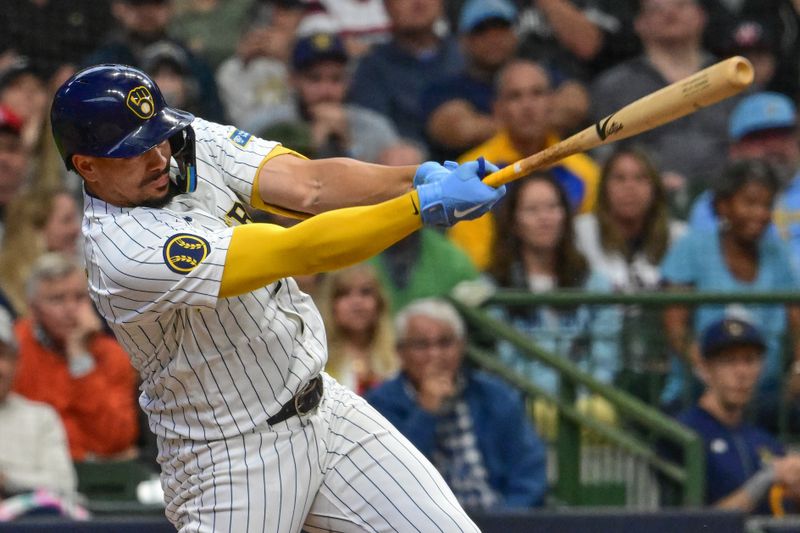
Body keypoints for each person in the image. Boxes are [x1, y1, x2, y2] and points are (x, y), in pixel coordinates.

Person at [49, 63, 505, 531]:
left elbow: (309, 185)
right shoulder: (123, 252)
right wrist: (417, 208)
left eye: (158, 138)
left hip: (324, 410)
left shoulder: (184, 140)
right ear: (86, 165)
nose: (160, 158)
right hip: (231, 455)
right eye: (136, 152)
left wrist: (415, 177)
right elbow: (299, 250)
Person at [366, 298, 547, 510]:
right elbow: (389, 479)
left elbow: (529, 473)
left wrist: (508, 521)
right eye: (421, 345)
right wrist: (426, 412)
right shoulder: (379, 404)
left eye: (445, 343)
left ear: (462, 346)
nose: (435, 355)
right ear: (400, 352)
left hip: (496, 520)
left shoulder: (495, 395)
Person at [660, 159, 800, 430]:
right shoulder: (692, 247)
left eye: (766, 205)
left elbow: (798, 320)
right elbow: (675, 328)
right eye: (750, 203)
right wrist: (717, 379)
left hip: (765, 397)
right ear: (723, 205)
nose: (760, 214)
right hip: (698, 394)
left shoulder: (777, 254)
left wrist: (798, 369)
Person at [485, 172, 620, 437]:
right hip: (521, 405)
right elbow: (505, 361)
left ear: (565, 216)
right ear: (513, 221)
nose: (545, 218)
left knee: (602, 413)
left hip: (586, 403)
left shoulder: (594, 284)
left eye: (553, 207)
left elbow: (606, 357)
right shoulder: (492, 287)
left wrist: (574, 397)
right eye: (532, 210)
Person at [448, 59, 600, 270]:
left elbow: (592, 251)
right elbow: (473, 259)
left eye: (537, 94)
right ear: (498, 109)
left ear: (552, 102)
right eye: (515, 96)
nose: (528, 106)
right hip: (500, 290)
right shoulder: (470, 172)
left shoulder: (586, 173)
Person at [590, 0, 736, 208]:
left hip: (727, 202)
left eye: (681, 5)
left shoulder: (730, 79)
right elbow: (603, 158)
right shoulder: (612, 87)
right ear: (639, 23)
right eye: (657, 9)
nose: (670, 14)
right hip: (644, 207)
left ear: (702, 15)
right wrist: (650, 183)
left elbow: (750, 148)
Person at [663, 317, 800, 514]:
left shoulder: (764, 440)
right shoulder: (682, 434)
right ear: (704, 368)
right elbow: (690, 524)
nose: (741, 372)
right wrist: (766, 479)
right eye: (729, 361)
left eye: (750, 360)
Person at [11, 253, 139, 461]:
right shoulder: (13, 349)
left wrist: (80, 360)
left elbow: (116, 440)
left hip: (98, 480)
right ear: (33, 310)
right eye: (57, 299)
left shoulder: (112, 354)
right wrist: (86, 453)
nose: (71, 309)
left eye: (79, 297)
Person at [246, 32, 401, 163]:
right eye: (314, 79)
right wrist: (310, 143)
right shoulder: (266, 125)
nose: (326, 90)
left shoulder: (372, 126)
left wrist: (348, 143)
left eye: (336, 79)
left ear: (348, 82)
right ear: (293, 80)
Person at [686, 92, 800, 269]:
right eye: (759, 137)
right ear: (735, 150)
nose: (773, 146)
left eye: (782, 135)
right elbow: (709, 270)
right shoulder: (714, 204)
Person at [347, 0, 464, 146]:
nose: (418, 3)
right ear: (387, 7)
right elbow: (371, 132)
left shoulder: (466, 54)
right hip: (407, 164)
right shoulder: (372, 67)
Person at [420, 0, 518, 162]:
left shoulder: (536, 74)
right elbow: (459, 130)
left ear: (514, 36)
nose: (493, 39)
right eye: (481, 31)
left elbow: (573, 101)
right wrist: (527, 123)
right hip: (471, 179)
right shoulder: (444, 89)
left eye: (501, 29)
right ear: (463, 41)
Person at [0, 307, 77, 499]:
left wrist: (7, 479)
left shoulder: (41, 417)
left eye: (2, 354)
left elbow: (64, 484)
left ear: (16, 362)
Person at [316, 263, 397, 395]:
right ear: (330, 304)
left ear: (380, 302)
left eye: (365, 292)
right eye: (344, 293)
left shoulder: (399, 355)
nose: (356, 302)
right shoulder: (318, 358)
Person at [0, 187, 82, 315]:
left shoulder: (79, 280)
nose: (77, 229)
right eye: (67, 220)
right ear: (35, 230)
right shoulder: (4, 293)